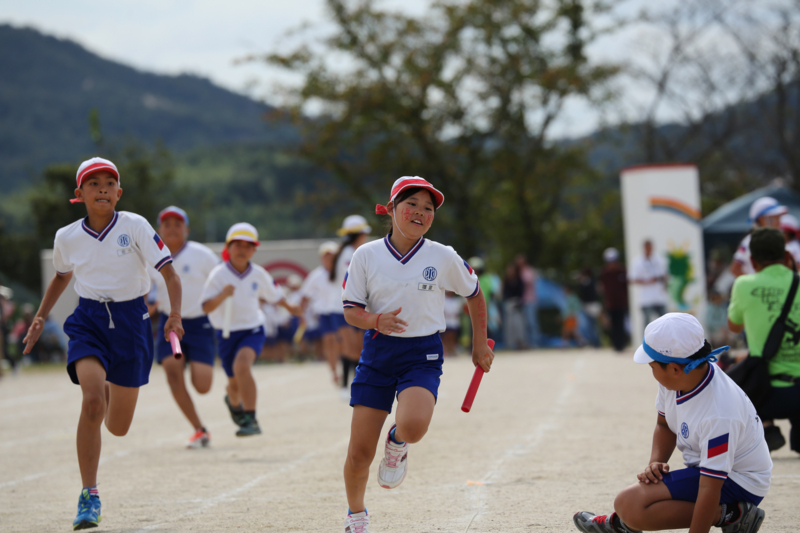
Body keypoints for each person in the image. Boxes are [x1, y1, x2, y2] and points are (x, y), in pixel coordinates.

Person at [22, 157, 184, 530]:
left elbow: (170, 276)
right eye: (93, 183)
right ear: (79, 194)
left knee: (118, 427)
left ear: (119, 193)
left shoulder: (136, 226)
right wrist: (41, 315)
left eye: (109, 183)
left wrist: (174, 315)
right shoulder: (67, 237)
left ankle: (110, 382)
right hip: (89, 321)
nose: (102, 189)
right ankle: (89, 494)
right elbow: (62, 277)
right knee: (92, 402)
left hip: (132, 323)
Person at [340, 176, 494, 533]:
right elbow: (350, 310)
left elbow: (474, 293)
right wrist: (375, 319)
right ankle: (356, 516)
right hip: (377, 352)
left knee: (413, 426)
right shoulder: (366, 255)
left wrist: (479, 343)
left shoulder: (442, 256)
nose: (420, 213)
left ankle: (397, 443)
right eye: (412, 204)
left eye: (428, 208)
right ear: (391, 209)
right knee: (359, 453)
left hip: (422, 352)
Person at [574, 313, 771, 533]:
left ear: (675, 369)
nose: (652, 373)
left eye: (652, 367)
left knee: (629, 504)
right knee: (632, 504)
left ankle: (734, 515)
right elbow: (664, 425)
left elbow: (710, 486)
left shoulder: (719, 413)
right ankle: (625, 522)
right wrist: (655, 463)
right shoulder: (681, 377)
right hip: (711, 473)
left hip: (739, 482)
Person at [201, 223, 301, 437]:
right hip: (226, 333)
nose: (243, 249)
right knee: (233, 384)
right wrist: (222, 295)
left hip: (252, 329)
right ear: (228, 247)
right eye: (237, 244)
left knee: (242, 366)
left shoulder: (258, 274)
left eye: (249, 245)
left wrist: (291, 307)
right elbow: (206, 306)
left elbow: (276, 295)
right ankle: (233, 401)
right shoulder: (218, 275)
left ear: (255, 250)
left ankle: (251, 418)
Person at [150, 206, 219, 449]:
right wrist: (147, 306)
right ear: (159, 230)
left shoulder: (201, 254)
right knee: (172, 372)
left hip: (199, 324)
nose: (171, 229)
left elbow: (221, 279)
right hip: (169, 323)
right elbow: (146, 292)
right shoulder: (151, 256)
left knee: (202, 385)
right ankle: (199, 430)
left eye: (177, 224)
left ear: (186, 229)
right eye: (166, 224)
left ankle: (195, 363)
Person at [727, 227, 800, 454]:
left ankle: (767, 428)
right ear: (787, 257)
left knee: (729, 379)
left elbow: (734, 326)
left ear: (753, 261)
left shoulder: (744, 285)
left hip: (765, 393)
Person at [330, 215, 371, 393]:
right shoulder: (350, 255)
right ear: (359, 235)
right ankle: (349, 386)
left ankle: (351, 385)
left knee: (355, 348)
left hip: (348, 307)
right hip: (344, 308)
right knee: (353, 349)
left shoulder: (347, 252)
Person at [300, 241, 341, 383]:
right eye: (326, 256)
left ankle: (349, 368)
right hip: (325, 313)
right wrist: (302, 315)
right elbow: (305, 296)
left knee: (344, 342)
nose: (329, 259)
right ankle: (334, 371)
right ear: (321, 258)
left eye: (332, 256)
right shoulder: (316, 275)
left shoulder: (345, 272)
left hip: (343, 312)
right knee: (329, 342)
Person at [731, 197, 786, 277]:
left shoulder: (778, 240)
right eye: (775, 217)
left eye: (779, 217)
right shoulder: (750, 241)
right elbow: (735, 269)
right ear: (761, 219)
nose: (779, 221)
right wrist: (754, 285)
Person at [629, 239, 669, 326]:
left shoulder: (659, 260)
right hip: (645, 298)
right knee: (647, 322)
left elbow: (665, 275)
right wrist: (646, 281)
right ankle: (646, 339)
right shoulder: (637, 262)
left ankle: (664, 339)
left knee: (664, 321)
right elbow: (632, 279)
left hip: (659, 296)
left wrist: (660, 281)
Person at [599, 248, 629, 352]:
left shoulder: (622, 271)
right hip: (610, 304)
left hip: (621, 303)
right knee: (612, 326)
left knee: (621, 324)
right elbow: (603, 291)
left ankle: (621, 345)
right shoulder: (604, 274)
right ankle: (615, 345)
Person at [502, 262, 527, 350]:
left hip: (517, 306)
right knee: (509, 326)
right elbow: (504, 294)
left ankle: (521, 343)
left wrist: (517, 302)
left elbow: (521, 293)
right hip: (509, 305)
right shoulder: (506, 281)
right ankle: (510, 344)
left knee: (519, 325)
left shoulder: (519, 280)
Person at [517, 254, 540, 348]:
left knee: (532, 322)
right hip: (523, 301)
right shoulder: (519, 272)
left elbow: (529, 282)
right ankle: (528, 343)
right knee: (525, 324)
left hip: (530, 300)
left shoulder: (529, 271)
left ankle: (535, 342)